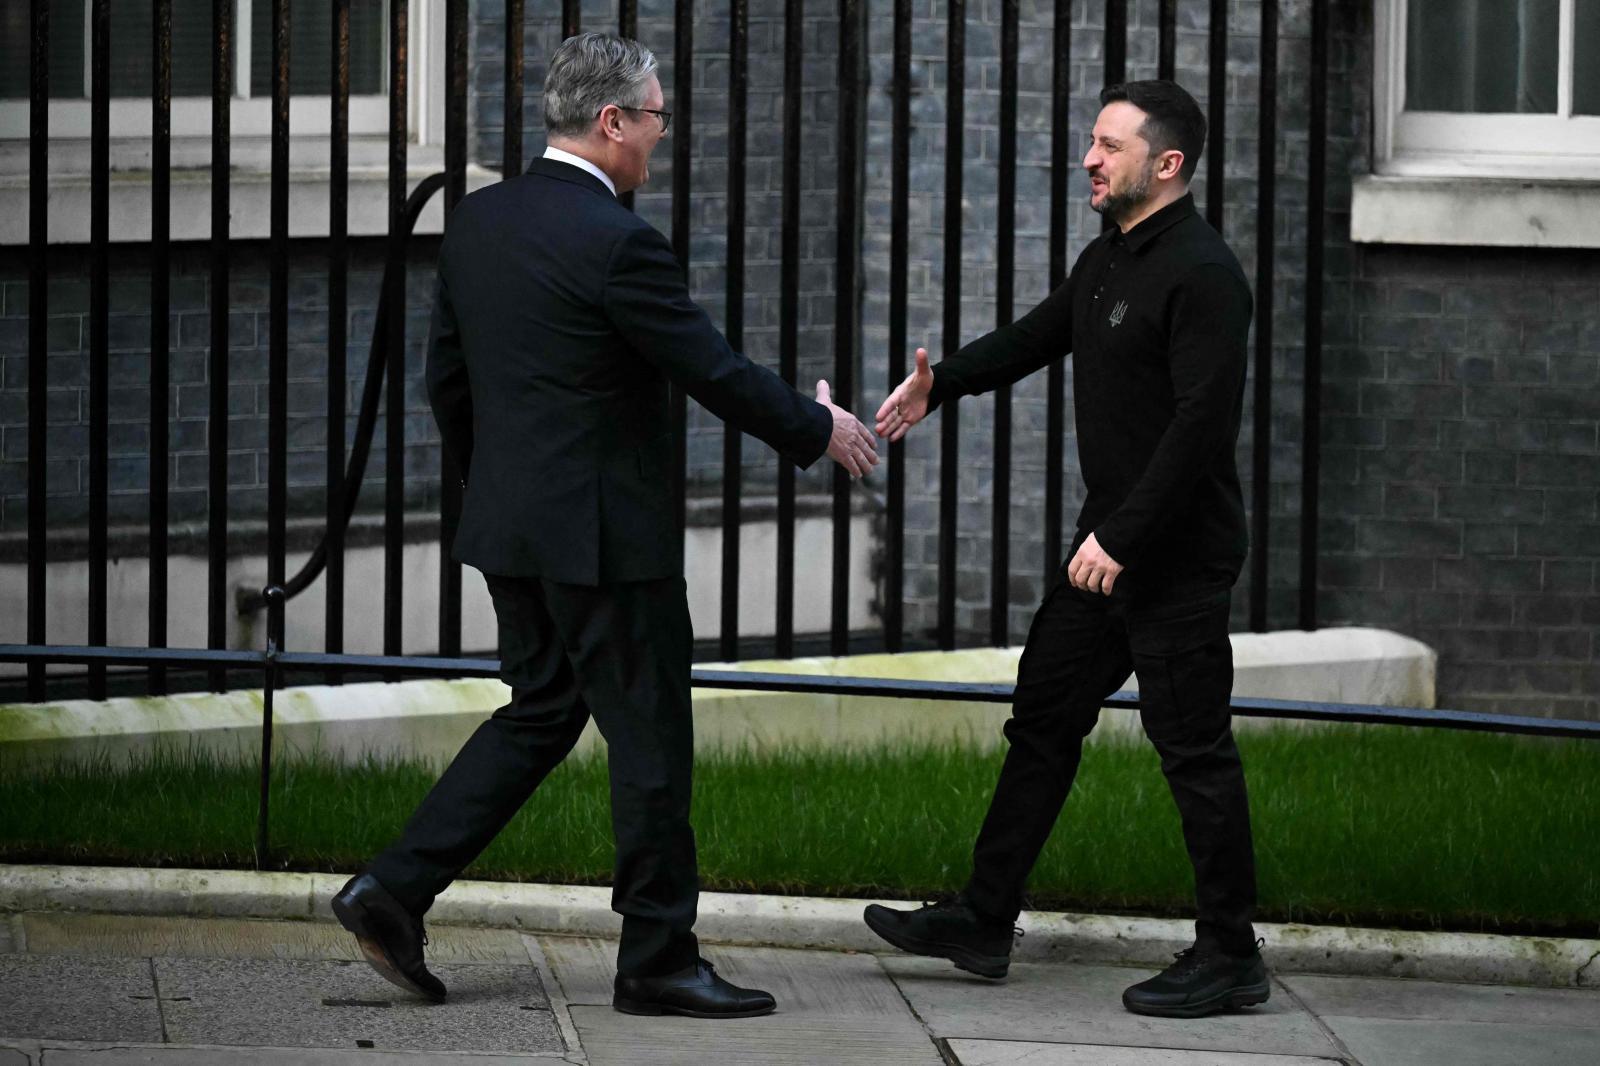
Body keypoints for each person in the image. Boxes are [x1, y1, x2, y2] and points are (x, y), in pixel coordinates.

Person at [331, 32, 878, 1020]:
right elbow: (707, 366)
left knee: (541, 710)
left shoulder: (481, 222)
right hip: (605, 540)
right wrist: (820, 427)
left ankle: (393, 889)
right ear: (612, 121)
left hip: (511, 529)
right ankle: (657, 956)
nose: (661, 137)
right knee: (651, 740)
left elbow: (447, 383)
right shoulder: (618, 240)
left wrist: (498, 490)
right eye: (657, 117)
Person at [864, 79, 1267, 1019]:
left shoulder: (1204, 275)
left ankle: (1231, 954)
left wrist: (1120, 539)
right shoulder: (1106, 260)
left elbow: (1201, 426)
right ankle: (983, 920)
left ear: (1166, 165)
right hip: (1109, 550)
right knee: (1042, 719)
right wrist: (943, 384)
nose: (1088, 157)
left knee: (1194, 753)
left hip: (1171, 557)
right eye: (1091, 141)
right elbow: (1038, 336)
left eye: (1109, 146)